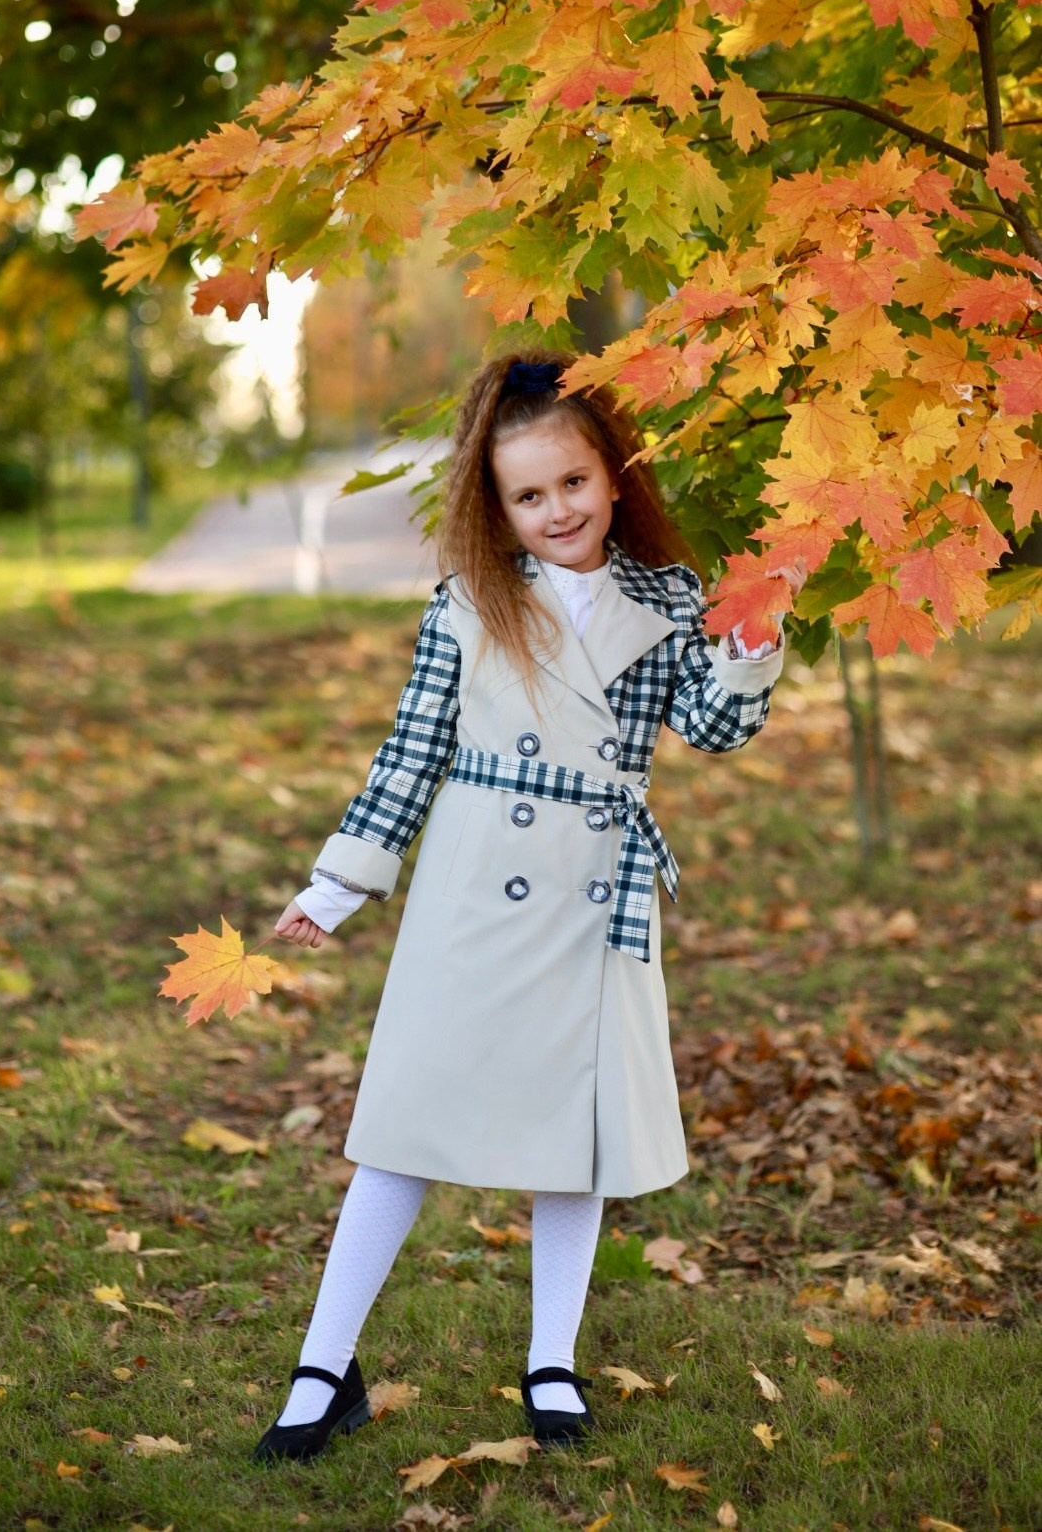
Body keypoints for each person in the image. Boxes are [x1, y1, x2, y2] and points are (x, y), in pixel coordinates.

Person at [253, 350, 803, 1464]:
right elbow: (410, 753)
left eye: (575, 484)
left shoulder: (671, 597)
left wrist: (749, 646)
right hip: (472, 885)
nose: (558, 510)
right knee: (400, 1125)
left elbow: (710, 730)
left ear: (615, 479)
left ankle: (551, 1359)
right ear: (495, 505)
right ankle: (324, 1366)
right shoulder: (471, 600)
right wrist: (338, 885)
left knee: (575, 1141)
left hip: (596, 888)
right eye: (529, 494)